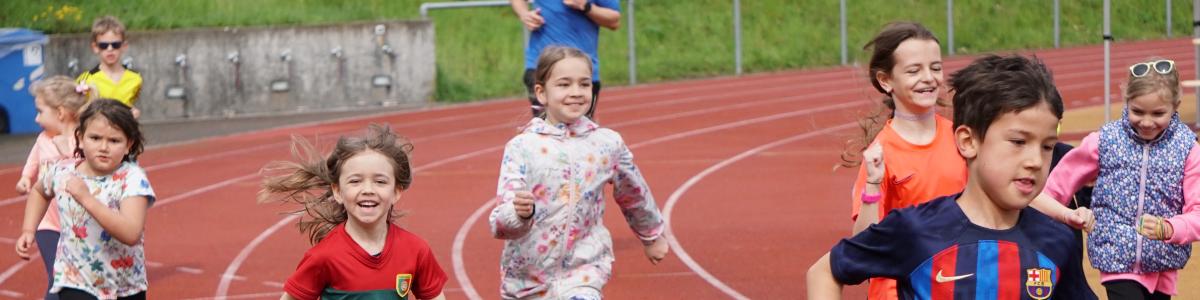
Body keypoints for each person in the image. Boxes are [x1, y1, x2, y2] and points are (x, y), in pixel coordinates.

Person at [807, 54, 1097, 300]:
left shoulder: (1057, 241)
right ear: (968, 142)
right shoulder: (916, 230)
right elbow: (825, 272)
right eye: (1018, 142)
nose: (1035, 161)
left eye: (1047, 146)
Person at [489, 46, 668, 299]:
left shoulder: (607, 144)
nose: (576, 93)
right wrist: (518, 214)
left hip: (584, 271)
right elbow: (500, 226)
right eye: (564, 84)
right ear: (541, 93)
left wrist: (652, 236)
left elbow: (634, 192)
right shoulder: (522, 147)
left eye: (584, 84)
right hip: (527, 278)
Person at [1031, 58, 1200, 299]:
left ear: (1176, 106)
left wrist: (1169, 227)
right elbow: (1052, 190)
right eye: (1137, 111)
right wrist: (1069, 214)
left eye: (1158, 113)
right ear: (1126, 102)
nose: (1147, 122)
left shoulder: (1188, 150)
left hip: (1163, 264)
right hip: (1116, 259)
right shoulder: (1104, 141)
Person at [839, 21, 967, 300]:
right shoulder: (881, 154)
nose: (929, 78)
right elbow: (863, 242)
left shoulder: (961, 137)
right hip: (898, 291)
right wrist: (873, 184)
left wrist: (1064, 212)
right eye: (913, 70)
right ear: (886, 81)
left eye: (935, 67)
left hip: (959, 282)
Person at [260, 124, 447, 300]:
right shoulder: (323, 257)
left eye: (380, 182)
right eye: (355, 181)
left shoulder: (416, 250)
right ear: (338, 191)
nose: (368, 189)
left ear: (396, 191)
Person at [16, 99, 155, 299]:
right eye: (95, 138)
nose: (104, 147)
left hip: (123, 286)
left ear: (128, 145)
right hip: (75, 281)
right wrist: (29, 229)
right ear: (80, 139)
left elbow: (131, 233)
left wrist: (87, 198)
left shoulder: (132, 179)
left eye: (114, 140)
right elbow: (39, 192)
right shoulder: (63, 171)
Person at [13, 76, 89, 300]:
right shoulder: (42, 139)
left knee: (79, 279)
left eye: (40, 111)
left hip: (78, 223)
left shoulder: (85, 139)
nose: (36, 118)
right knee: (57, 276)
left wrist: (67, 151)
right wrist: (26, 178)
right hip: (48, 222)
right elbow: (33, 162)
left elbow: (86, 170)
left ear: (61, 112)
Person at [511, 0, 621, 119]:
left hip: (582, 70)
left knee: (581, 128)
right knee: (545, 126)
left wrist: (586, 6)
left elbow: (614, 21)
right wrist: (524, 14)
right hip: (542, 65)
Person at [76, 16, 143, 119]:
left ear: (124, 46)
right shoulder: (86, 79)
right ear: (95, 47)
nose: (110, 49)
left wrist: (133, 113)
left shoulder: (135, 78)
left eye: (115, 45)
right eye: (104, 45)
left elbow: (130, 103)